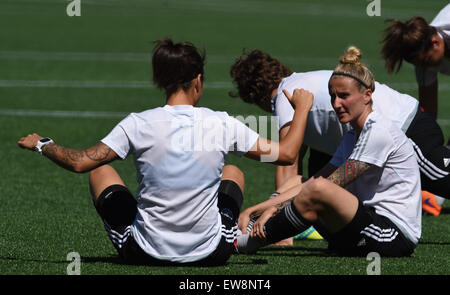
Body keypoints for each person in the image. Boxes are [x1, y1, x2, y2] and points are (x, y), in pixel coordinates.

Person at [17, 39, 314, 266]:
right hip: (210, 253)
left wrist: (43, 144)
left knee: (100, 169)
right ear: (198, 80)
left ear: (161, 81)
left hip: (146, 252)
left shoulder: (138, 123)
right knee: (234, 171)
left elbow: (81, 162)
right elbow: (287, 154)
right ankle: (241, 238)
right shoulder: (221, 122)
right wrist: (300, 109)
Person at [235, 46, 422, 257]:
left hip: (392, 234)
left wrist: (276, 209)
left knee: (318, 188)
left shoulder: (379, 131)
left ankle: (244, 244)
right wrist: (258, 208)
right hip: (361, 226)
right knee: (296, 183)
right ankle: (247, 229)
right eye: (333, 96)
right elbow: (319, 177)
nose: (336, 104)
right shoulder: (352, 135)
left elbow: (331, 183)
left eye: (344, 96)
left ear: (367, 95)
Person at [381, 3, 450, 121]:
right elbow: (429, 114)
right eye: (418, 64)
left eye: (426, 61)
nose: (424, 67)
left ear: (435, 43)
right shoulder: (423, 64)